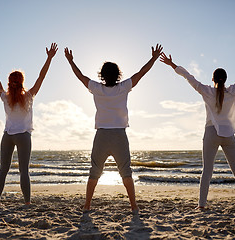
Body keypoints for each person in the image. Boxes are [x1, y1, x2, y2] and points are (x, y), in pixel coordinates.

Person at [160, 52, 235, 210]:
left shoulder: (207, 91)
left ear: (213, 79)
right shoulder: (232, 90)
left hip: (211, 133)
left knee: (207, 171)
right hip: (229, 135)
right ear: (225, 79)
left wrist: (172, 64)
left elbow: (188, 77)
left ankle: (202, 206)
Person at [64, 44, 163, 213]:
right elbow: (141, 72)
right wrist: (153, 58)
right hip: (119, 135)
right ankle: (134, 206)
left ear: (102, 75)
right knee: (126, 171)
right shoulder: (123, 87)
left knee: (94, 171)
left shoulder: (97, 88)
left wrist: (70, 61)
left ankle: (87, 205)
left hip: (102, 134)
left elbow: (80, 76)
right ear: (118, 75)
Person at [0, 43, 58, 205]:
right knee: (24, 171)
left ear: (10, 82)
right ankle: (27, 203)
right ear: (22, 82)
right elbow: (41, 77)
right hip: (23, 136)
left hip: (7, 136)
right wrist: (49, 58)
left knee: (3, 170)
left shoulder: (5, 96)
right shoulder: (29, 96)